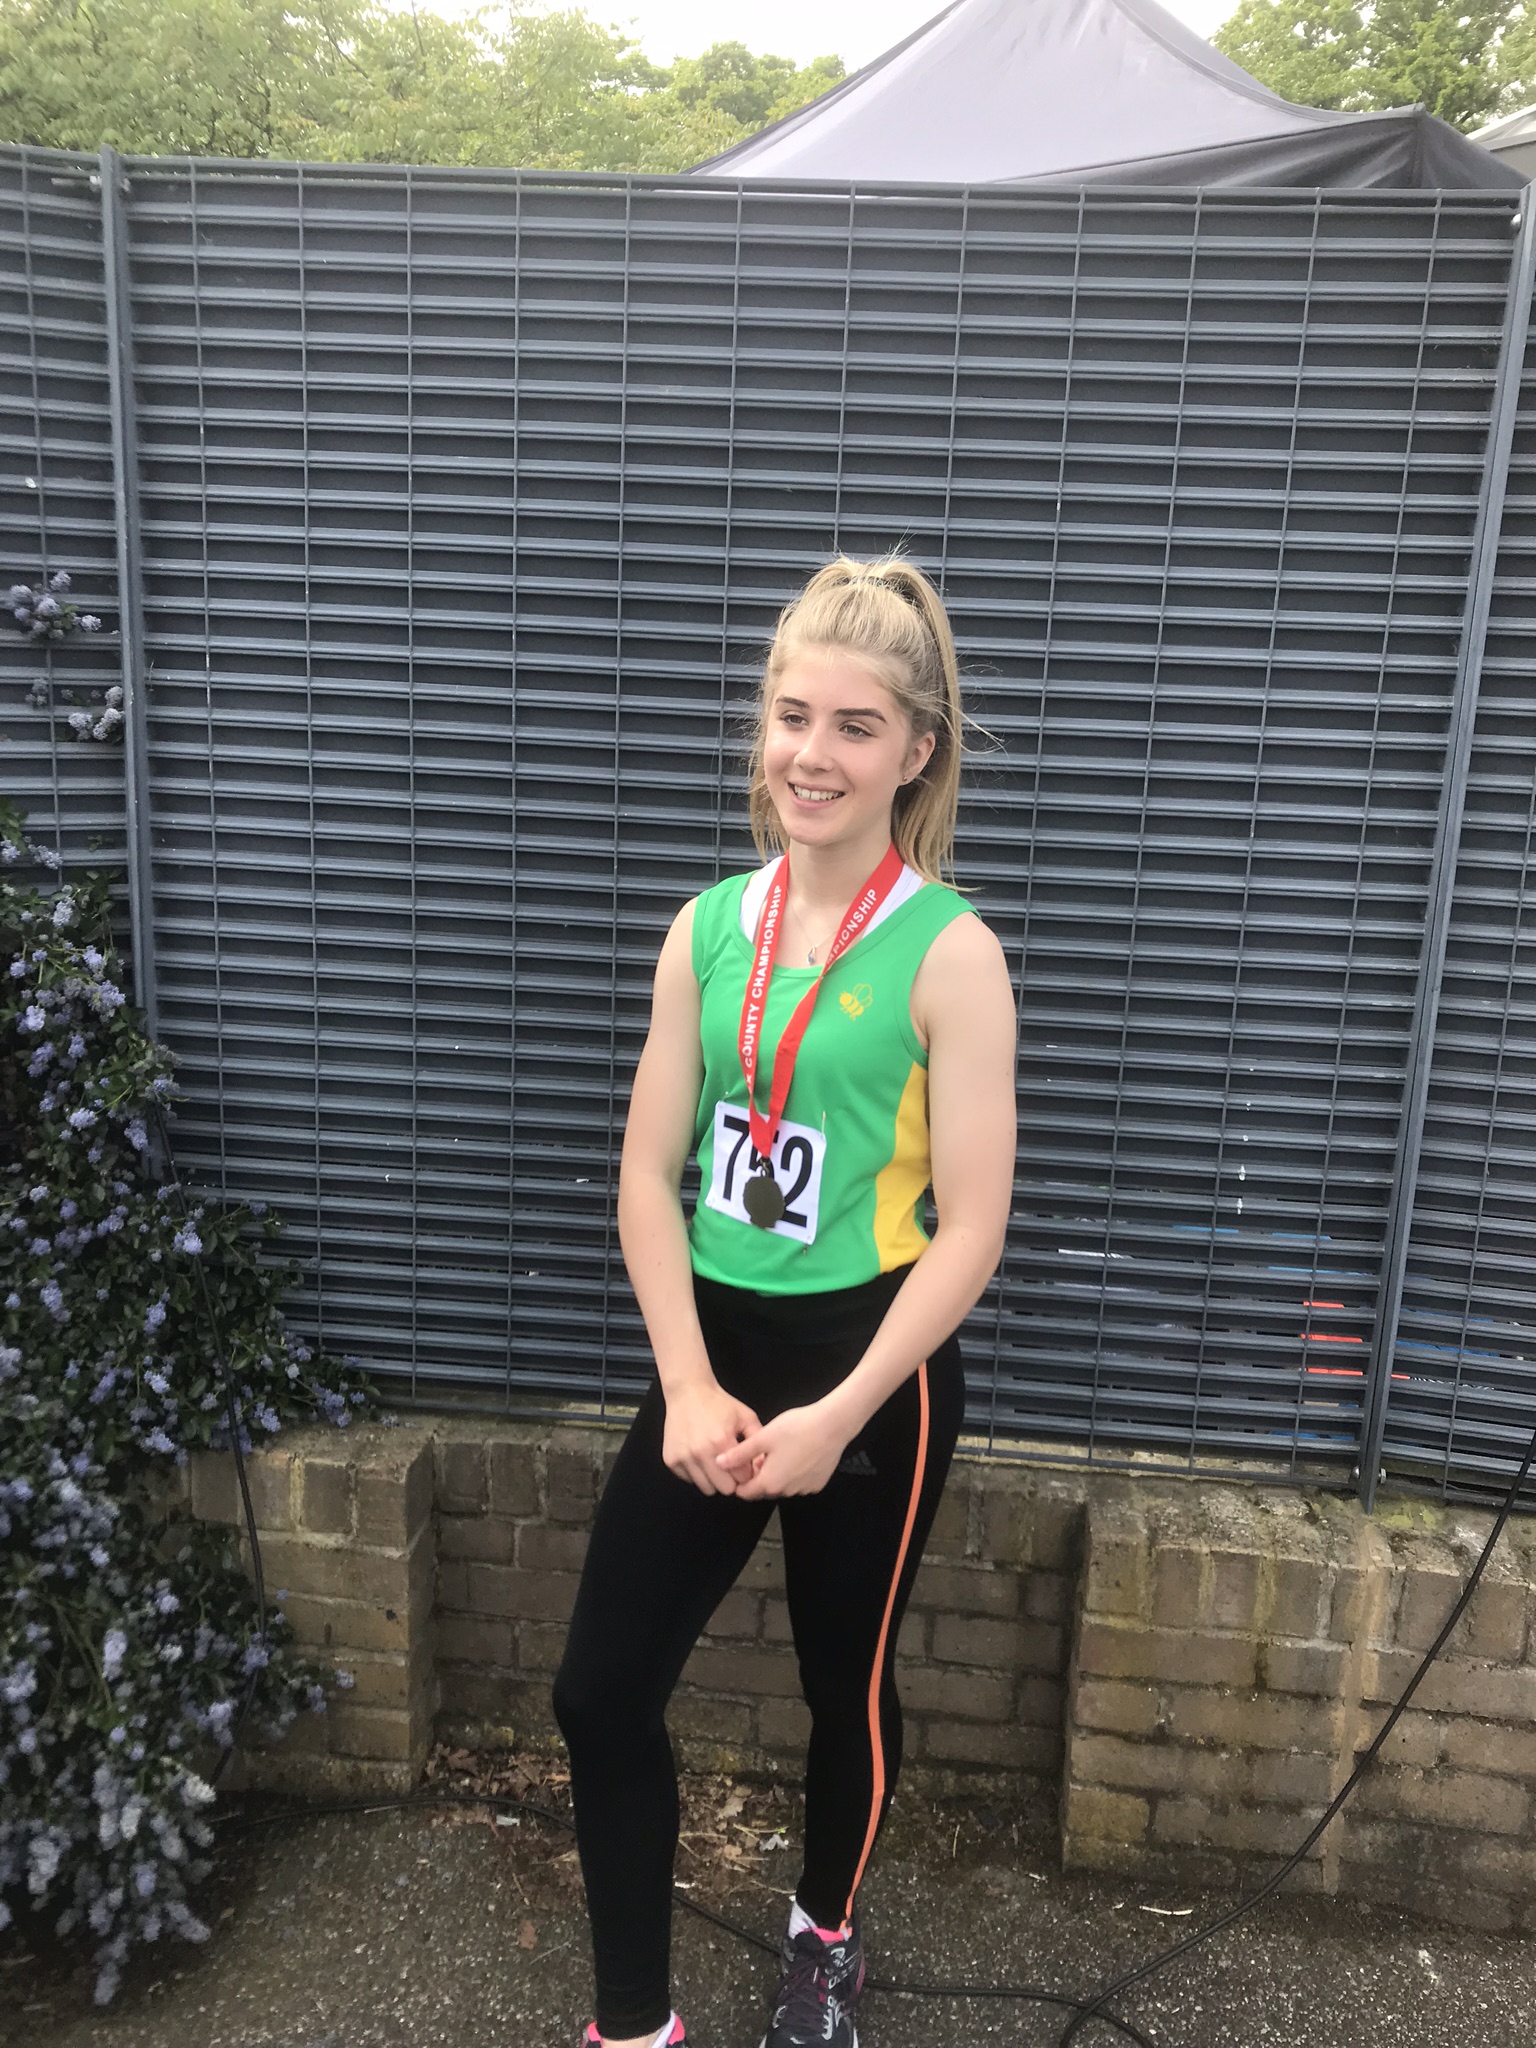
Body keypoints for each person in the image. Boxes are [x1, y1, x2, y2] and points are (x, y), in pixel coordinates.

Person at [552, 554, 1019, 2048]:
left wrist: (838, 1417)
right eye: (790, 716)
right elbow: (647, 1178)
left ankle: (825, 1936)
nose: (811, 755)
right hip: (717, 1347)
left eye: (855, 726)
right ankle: (635, 2025)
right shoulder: (706, 930)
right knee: (598, 1691)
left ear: (916, 752)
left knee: (843, 1683)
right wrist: (688, 1385)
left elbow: (972, 1230)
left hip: (872, 1366)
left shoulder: (952, 955)